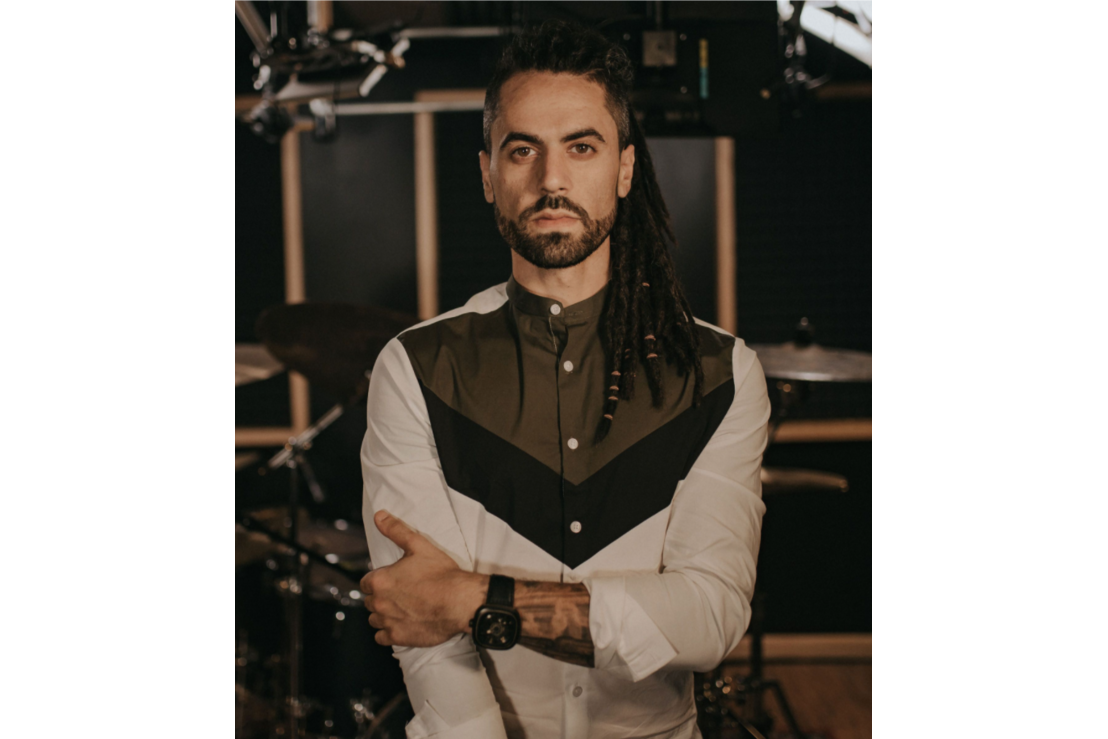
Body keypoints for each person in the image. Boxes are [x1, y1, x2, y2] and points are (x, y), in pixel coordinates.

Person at [359, 20, 770, 739]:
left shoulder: (720, 373)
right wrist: (459, 605)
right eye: (523, 150)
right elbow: (426, 624)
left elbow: (710, 617)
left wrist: (480, 599)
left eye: (582, 147)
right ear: (487, 175)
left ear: (624, 170)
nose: (551, 179)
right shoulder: (416, 368)